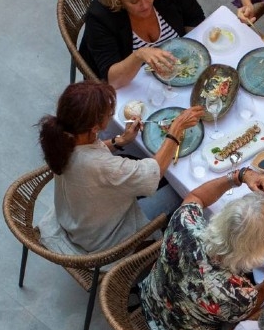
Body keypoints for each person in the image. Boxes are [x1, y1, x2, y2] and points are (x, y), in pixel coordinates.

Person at [139, 167, 264, 330]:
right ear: (258, 251)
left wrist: (238, 176)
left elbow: (197, 197)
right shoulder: (238, 295)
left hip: (150, 297)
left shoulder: (185, 222)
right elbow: (249, 310)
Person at [36, 81, 204, 255]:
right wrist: (175, 130)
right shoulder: (103, 166)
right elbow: (153, 174)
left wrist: (120, 141)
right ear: (94, 128)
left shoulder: (64, 136)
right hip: (102, 239)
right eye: (109, 114)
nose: (112, 116)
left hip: (76, 217)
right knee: (181, 192)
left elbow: (88, 153)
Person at [78, 0, 205, 88]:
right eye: (134, 1)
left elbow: (195, 19)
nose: (145, 5)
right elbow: (113, 81)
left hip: (180, 70)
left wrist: (194, 57)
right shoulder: (100, 17)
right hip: (134, 84)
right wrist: (139, 55)